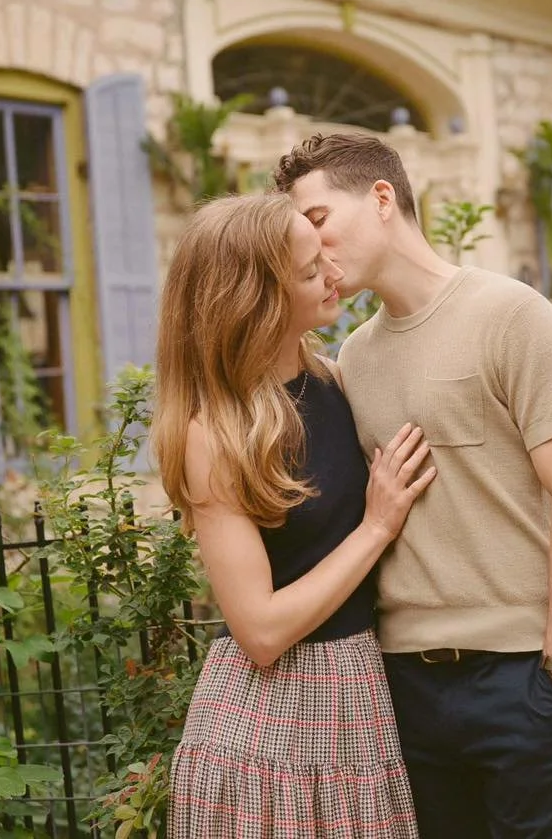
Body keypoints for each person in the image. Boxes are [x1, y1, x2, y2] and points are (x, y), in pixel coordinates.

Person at [273, 132, 552, 839]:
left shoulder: (513, 315)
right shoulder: (354, 358)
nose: (311, 246)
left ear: (381, 197)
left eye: (316, 219)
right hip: (406, 689)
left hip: (525, 676)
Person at [153, 192, 436, 838]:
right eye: (310, 273)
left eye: (323, 257)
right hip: (265, 729)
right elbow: (258, 628)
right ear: (258, 302)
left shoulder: (337, 381)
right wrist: (376, 527)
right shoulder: (214, 434)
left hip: (357, 701)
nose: (333, 276)